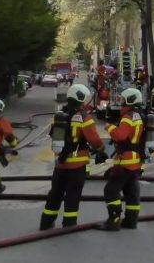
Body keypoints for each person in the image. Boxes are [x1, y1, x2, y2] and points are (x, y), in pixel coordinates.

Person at [39, 84, 106, 230]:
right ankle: (69, 223)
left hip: (60, 164)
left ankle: (46, 222)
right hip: (77, 166)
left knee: (55, 194)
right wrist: (101, 150)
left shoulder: (60, 115)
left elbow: (53, 134)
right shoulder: (83, 117)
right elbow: (93, 139)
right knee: (72, 195)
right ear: (81, 99)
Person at [100, 88, 145, 231]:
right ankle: (131, 221)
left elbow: (120, 135)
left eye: (123, 100)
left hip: (125, 162)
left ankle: (114, 221)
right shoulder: (140, 115)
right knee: (131, 192)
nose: (121, 103)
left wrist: (109, 127)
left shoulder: (128, 117)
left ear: (129, 100)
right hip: (136, 161)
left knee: (111, 190)